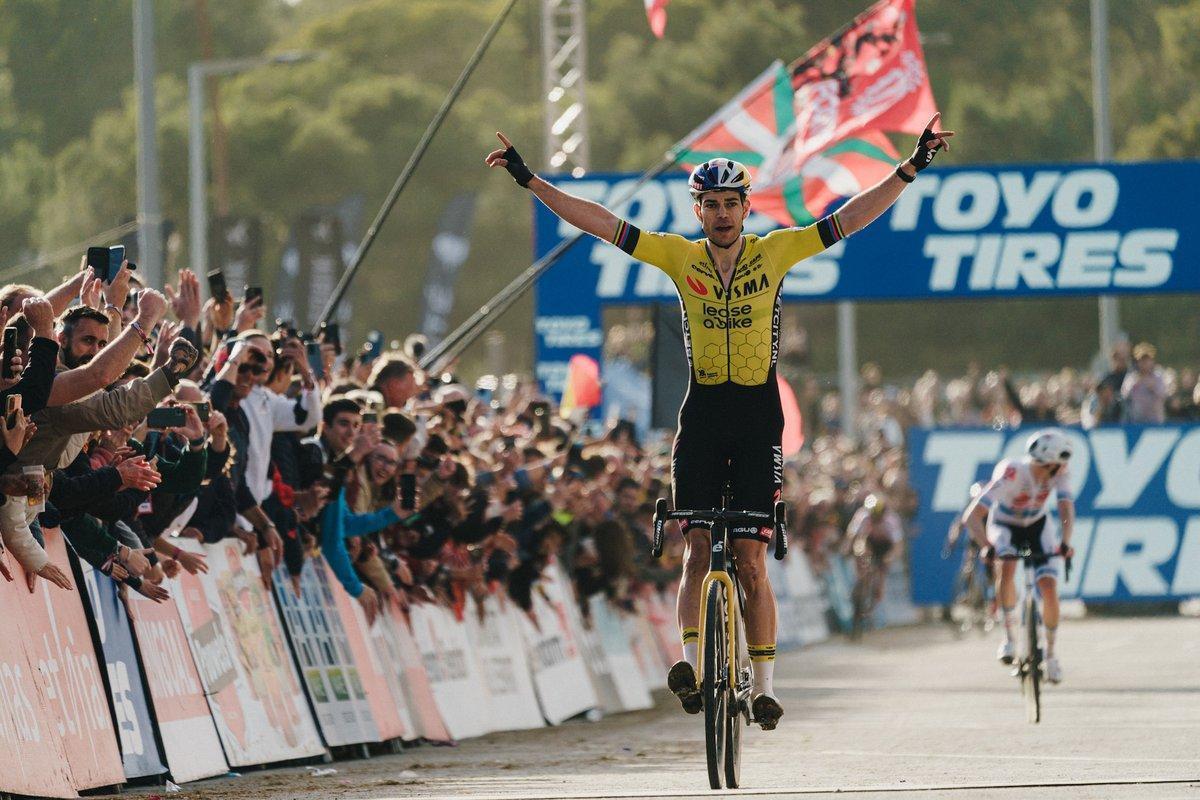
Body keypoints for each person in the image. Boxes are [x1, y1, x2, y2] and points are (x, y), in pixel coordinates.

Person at [486, 113, 954, 729]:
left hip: (759, 417)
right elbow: (600, 223)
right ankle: (688, 663)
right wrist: (532, 182)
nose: (723, 214)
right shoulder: (680, 258)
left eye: (732, 204)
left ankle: (762, 687)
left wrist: (911, 167)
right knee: (696, 544)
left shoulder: (776, 251)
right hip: (703, 412)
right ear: (698, 210)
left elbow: (850, 218)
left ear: (746, 207)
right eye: (711, 205)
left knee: (753, 558)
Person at [962, 429, 1074, 684]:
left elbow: (1066, 507)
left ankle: (1052, 656)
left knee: (1049, 587)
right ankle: (1010, 638)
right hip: (1005, 526)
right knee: (1008, 568)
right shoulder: (1012, 472)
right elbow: (972, 517)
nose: (1063, 468)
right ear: (1047, 463)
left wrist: (1066, 542)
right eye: (1059, 463)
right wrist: (986, 545)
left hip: (1037, 526)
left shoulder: (1060, 474)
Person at [845, 493, 904, 609]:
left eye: (879, 517)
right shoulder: (862, 516)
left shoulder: (892, 520)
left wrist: (890, 557)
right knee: (861, 553)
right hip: (869, 541)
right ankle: (860, 580)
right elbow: (853, 536)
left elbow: (898, 546)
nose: (876, 520)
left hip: (884, 545)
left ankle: (878, 591)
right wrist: (852, 550)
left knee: (884, 565)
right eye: (873, 517)